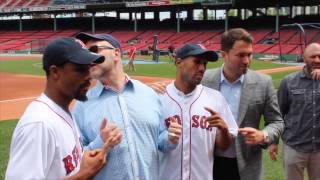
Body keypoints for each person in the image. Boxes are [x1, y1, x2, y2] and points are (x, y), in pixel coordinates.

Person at [5, 37, 122, 180]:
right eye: (80, 70)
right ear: (55, 72)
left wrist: (87, 156)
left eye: (88, 69)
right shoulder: (39, 124)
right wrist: (84, 174)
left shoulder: (63, 111)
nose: (89, 76)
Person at [72, 32, 181, 180]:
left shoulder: (149, 94)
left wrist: (170, 138)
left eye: (94, 50)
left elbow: (160, 139)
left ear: (116, 54)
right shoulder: (82, 105)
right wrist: (100, 142)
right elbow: (75, 160)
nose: (89, 58)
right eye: (86, 53)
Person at [201, 28, 284, 180]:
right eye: (240, 55)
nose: (246, 60)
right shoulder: (204, 80)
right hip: (208, 163)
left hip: (247, 166)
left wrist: (263, 135)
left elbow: (277, 122)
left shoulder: (263, 82)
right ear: (224, 55)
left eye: (249, 54)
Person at [159, 43, 238, 180]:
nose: (202, 68)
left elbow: (223, 146)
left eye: (204, 64)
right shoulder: (158, 98)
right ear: (179, 63)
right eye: (196, 62)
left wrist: (224, 130)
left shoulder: (216, 99)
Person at [273, 42, 320, 180]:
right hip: (294, 146)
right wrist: (273, 141)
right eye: (313, 56)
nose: (317, 60)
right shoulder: (289, 82)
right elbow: (278, 113)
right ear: (304, 58)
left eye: (319, 56)